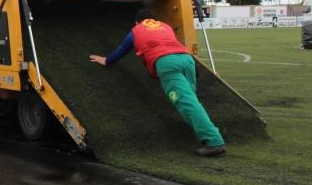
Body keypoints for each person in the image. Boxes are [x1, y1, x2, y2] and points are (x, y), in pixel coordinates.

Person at [89, 8, 226, 157]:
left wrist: (107, 60)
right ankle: (203, 131)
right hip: (187, 60)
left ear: (136, 22)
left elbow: (122, 49)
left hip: (167, 63)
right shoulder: (165, 26)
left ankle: (214, 141)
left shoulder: (136, 30)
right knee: (192, 101)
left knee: (187, 104)